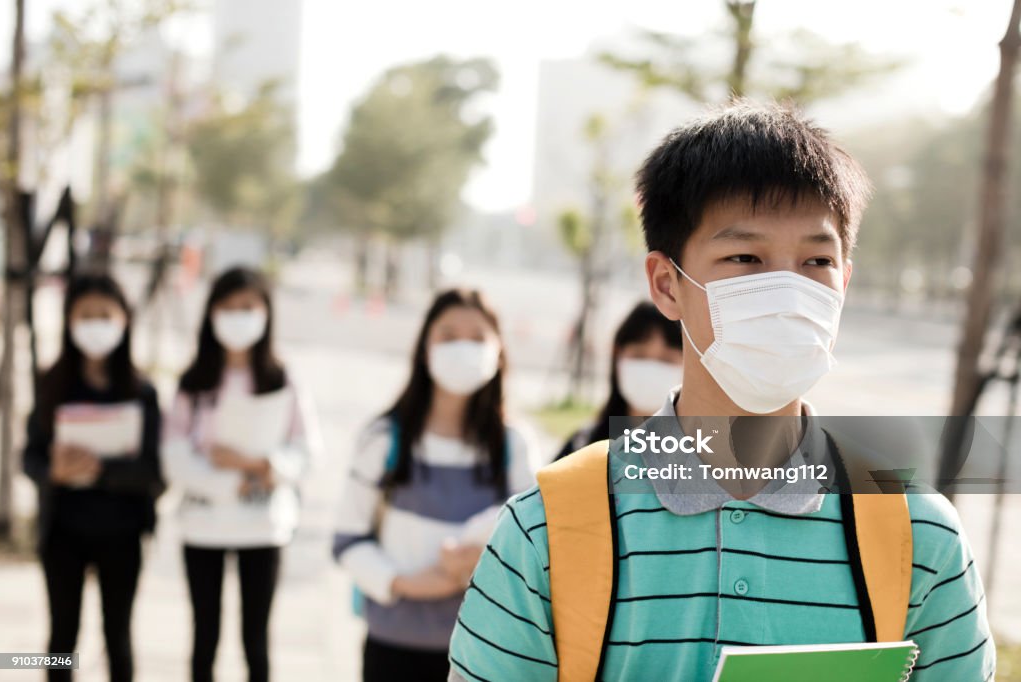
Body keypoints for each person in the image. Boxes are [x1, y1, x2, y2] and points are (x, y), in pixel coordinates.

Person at [448, 102, 995, 681]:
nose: (786, 289)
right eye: (745, 257)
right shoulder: (545, 530)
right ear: (665, 284)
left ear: (845, 282)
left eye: (816, 260)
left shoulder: (918, 534)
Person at [332, 288, 536, 682]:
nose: (463, 348)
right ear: (425, 348)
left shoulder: (514, 445)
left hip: (483, 649)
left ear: (499, 353)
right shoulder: (383, 439)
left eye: (477, 338)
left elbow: (532, 541)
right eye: (448, 335)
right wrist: (405, 583)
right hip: (393, 644)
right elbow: (347, 539)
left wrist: (473, 560)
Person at [162, 267, 321, 682]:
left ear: (266, 313)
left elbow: (306, 450)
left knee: (256, 639)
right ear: (211, 313)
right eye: (228, 307)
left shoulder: (282, 378)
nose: (238, 317)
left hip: (263, 526)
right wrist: (228, 480)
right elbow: (174, 453)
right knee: (205, 637)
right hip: (203, 525)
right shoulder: (195, 381)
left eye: (247, 307)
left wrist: (255, 465)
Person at [23, 273, 164, 682]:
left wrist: (100, 469)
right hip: (63, 530)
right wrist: (53, 471)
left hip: (122, 531)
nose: (96, 325)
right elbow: (30, 457)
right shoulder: (52, 383)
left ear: (124, 320)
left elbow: (154, 472)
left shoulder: (142, 391)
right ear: (69, 321)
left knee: (117, 636)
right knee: (62, 639)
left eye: (105, 315)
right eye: (86, 315)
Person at [554, 301, 682, 460]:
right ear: (617, 357)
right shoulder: (583, 444)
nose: (651, 368)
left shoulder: (701, 455)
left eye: (666, 360)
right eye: (639, 356)